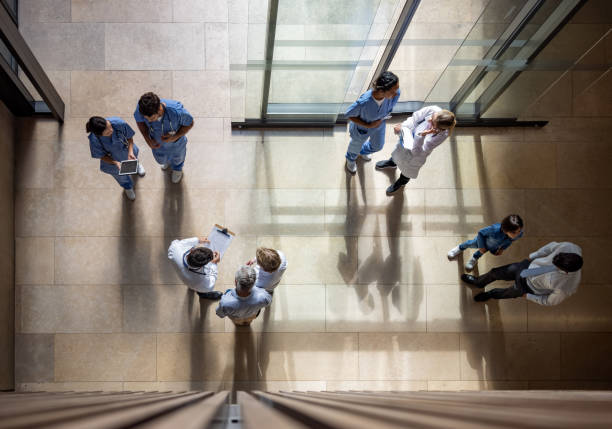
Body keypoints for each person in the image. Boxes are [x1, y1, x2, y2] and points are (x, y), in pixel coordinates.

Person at [461, 241, 583, 305]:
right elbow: (550, 247)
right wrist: (533, 256)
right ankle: (479, 282)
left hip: (528, 288)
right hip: (527, 266)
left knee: (504, 293)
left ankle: (490, 295)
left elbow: (549, 301)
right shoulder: (570, 247)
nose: (552, 263)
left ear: (565, 271)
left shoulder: (567, 287)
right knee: (495, 272)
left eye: (555, 265)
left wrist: (527, 296)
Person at [376, 106, 456, 196]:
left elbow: (418, 152)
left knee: (407, 171)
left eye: (432, 122)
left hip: (416, 155)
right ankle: (392, 162)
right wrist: (403, 127)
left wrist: (421, 136)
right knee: (397, 153)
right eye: (433, 116)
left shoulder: (441, 136)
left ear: (439, 129)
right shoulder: (433, 109)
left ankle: (401, 182)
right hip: (408, 139)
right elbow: (414, 119)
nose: (429, 120)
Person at [344, 71, 400, 174]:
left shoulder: (395, 94)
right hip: (363, 128)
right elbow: (348, 114)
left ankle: (362, 151)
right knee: (355, 145)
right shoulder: (364, 102)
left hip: (379, 124)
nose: (396, 93)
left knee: (377, 146)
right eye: (393, 91)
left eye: (397, 88)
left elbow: (390, 106)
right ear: (382, 90)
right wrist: (368, 125)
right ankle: (351, 158)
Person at [134, 92, 194, 184]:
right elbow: (140, 121)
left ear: (159, 110)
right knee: (161, 159)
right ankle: (167, 161)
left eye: (152, 118)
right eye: (146, 118)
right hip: (157, 143)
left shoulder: (177, 112)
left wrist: (176, 136)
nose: (149, 121)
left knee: (178, 158)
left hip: (176, 144)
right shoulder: (142, 109)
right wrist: (147, 139)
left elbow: (190, 123)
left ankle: (177, 169)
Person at [86, 116, 145, 201]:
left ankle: (137, 165)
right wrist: (115, 162)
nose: (111, 130)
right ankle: (127, 187)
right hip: (112, 161)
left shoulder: (119, 123)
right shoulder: (94, 140)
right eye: (107, 133)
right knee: (121, 177)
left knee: (133, 159)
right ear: (99, 135)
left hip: (127, 151)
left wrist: (131, 151)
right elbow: (101, 156)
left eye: (109, 127)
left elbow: (129, 137)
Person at [448, 214, 524, 271]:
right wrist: (481, 246)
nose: (517, 234)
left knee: (481, 253)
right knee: (470, 244)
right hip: (481, 241)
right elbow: (481, 233)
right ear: (505, 230)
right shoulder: (494, 230)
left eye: (519, 231)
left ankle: (474, 258)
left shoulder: (518, 234)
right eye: (514, 232)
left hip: (494, 247)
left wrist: (502, 249)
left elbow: (509, 242)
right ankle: (460, 248)